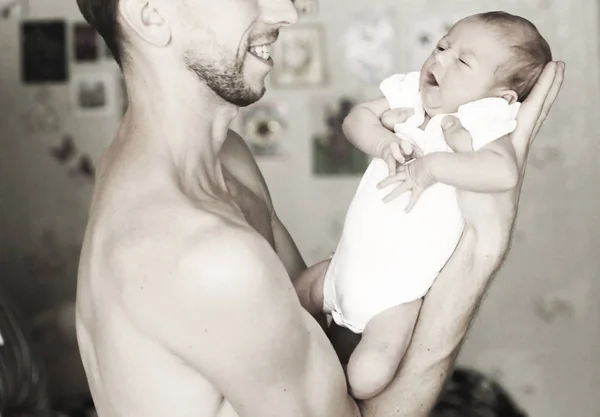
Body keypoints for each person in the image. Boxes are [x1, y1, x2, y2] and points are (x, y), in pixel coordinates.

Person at [73, 0, 564, 416]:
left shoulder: (224, 159)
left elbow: (321, 344)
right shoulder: (207, 257)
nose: (289, 9)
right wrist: (482, 248)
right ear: (152, 14)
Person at [294, 11, 553, 400]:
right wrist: (381, 141)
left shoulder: (482, 121)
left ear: (501, 97)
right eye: (443, 45)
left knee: (368, 376)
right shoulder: (409, 97)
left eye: (463, 61)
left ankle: (325, 390)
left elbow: (503, 172)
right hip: (338, 269)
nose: (440, 60)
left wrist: (432, 168)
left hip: (395, 298)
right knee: (279, 305)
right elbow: (355, 119)